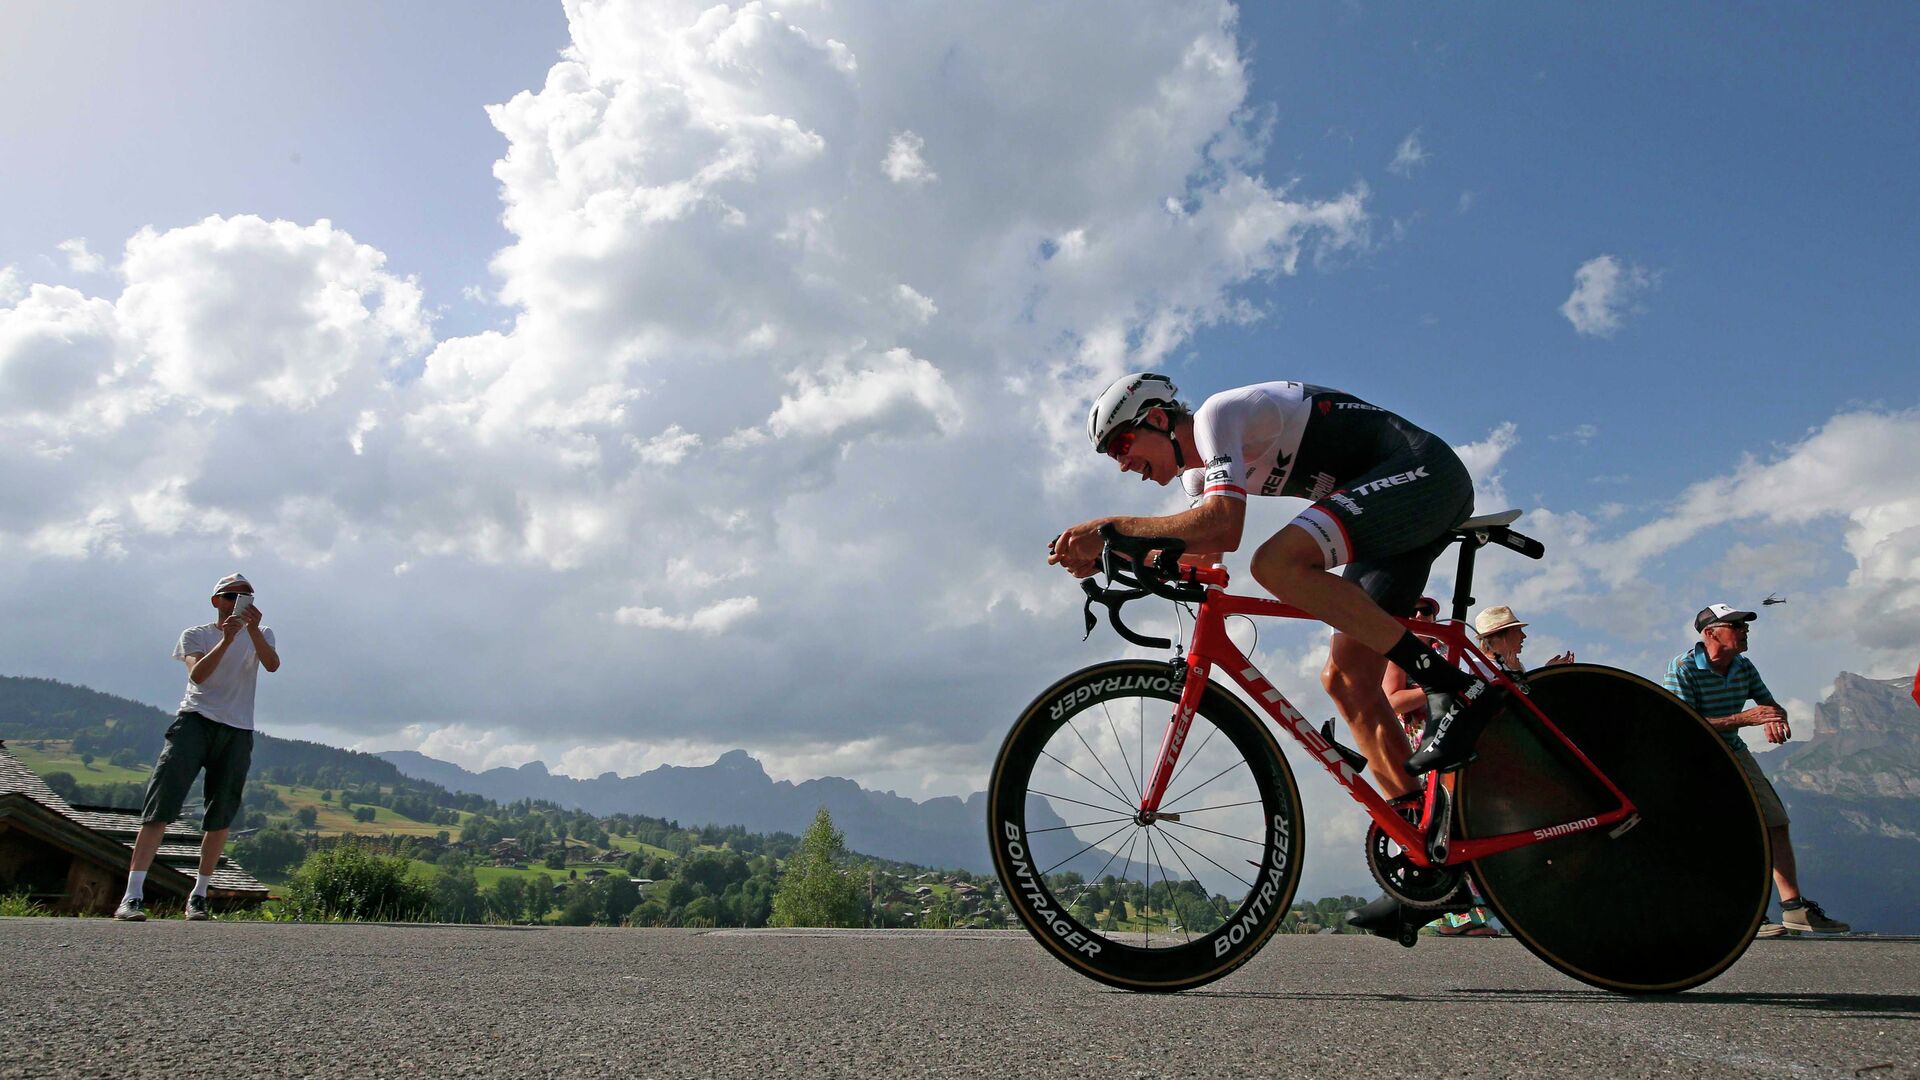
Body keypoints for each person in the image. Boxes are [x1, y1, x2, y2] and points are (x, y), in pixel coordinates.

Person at [1051, 374, 1505, 936]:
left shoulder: (1219, 416)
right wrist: (1113, 560)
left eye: (1122, 445)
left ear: (1161, 419)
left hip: (1424, 474)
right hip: (1389, 511)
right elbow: (1209, 554)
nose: (1122, 465)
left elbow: (1224, 526)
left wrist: (1108, 530)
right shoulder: (1200, 476)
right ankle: (1427, 854)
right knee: (1345, 680)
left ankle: (1454, 687)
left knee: (1277, 563)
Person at [1663, 603, 1848, 936]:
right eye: (1736, 626)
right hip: (1691, 757)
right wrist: (1743, 719)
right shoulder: (1683, 667)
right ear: (1710, 633)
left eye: (1744, 626)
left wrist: (1775, 718)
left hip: (1732, 751)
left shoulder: (1743, 667)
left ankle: (1794, 909)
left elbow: (1769, 705)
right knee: (1725, 832)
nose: (1745, 630)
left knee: (1775, 821)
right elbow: (1681, 725)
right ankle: (1744, 915)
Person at [114, 574, 281, 921]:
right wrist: (227, 639)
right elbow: (198, 675)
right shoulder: (196, 634)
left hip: (237, 730)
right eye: (232, 596)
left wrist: (249, 632)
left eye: (246, 596)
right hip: (194, 722)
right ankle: (132, 895)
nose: (240, 601)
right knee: (160, 805)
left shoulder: (262, 634)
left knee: (221, 815)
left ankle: (199, 895)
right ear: (216, 601)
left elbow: (272, 665)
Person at [1472, 605, 1573, 693]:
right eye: (1518, 630)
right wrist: (1516, 674)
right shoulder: (1478, 664)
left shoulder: (1516, 665)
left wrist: (1546, 672)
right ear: (1500, 636)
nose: (1523, 636)